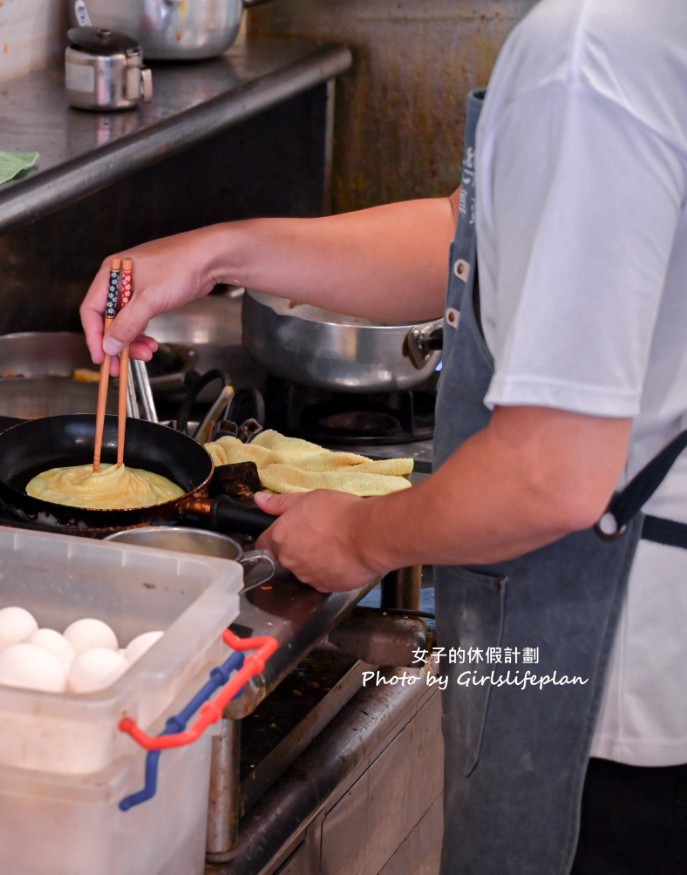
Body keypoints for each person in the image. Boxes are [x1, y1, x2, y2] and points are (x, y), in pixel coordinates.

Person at [79, 1, 687, 873]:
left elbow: (549, 476)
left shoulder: (589, 49)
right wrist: (217, 253)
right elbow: (473, 236)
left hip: (616, 698)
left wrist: (358, 536)